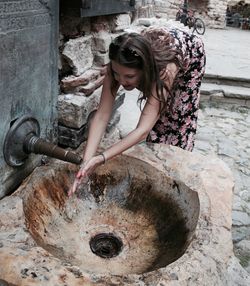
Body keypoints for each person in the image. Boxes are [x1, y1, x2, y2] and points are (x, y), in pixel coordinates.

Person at [68, 25, 206, 196]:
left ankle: (174, 186)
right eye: (118, 75)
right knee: (156, 121)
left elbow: (142, 130)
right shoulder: (118, 66)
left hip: (187, 55)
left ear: (145, 69)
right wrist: (86, 161)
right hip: (153, 44)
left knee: (175, 118)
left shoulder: (164, 71)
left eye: (130, 77)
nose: (122, 81)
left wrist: (101, 158)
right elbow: (102, 115)